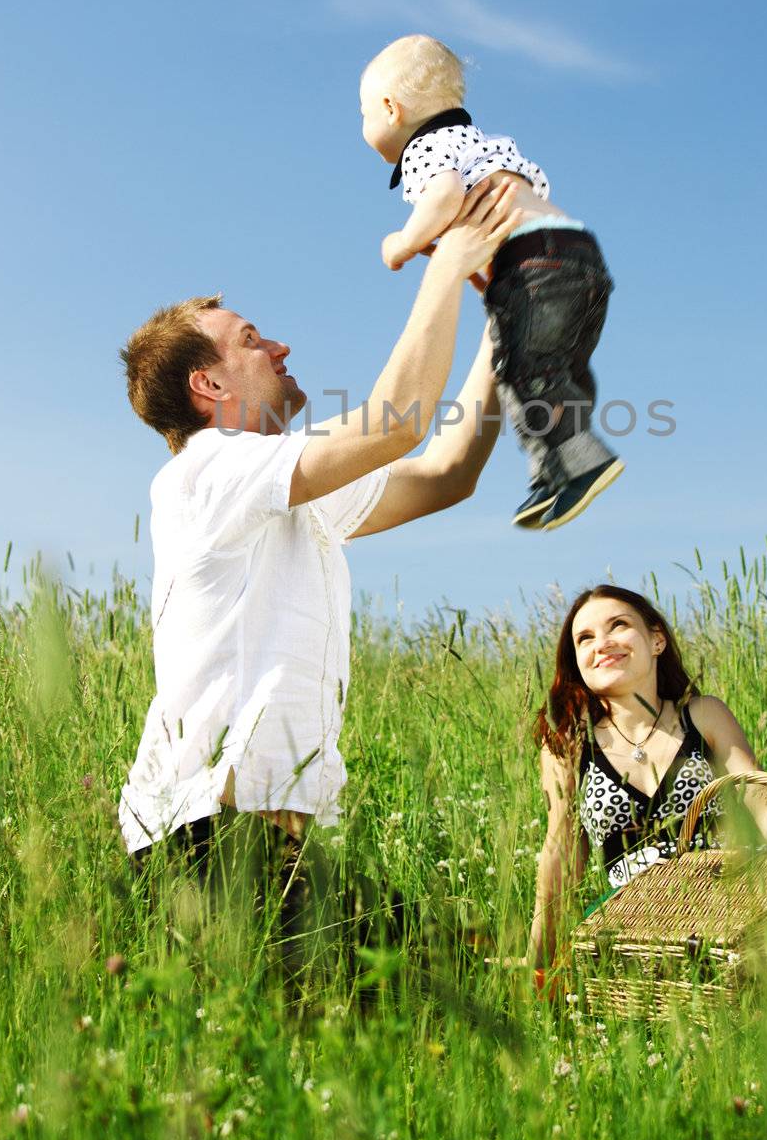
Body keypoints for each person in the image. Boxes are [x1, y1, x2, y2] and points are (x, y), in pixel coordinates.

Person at [117, 182, 520, 953]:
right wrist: (452, 257)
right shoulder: (208, 471)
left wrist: (505, 327)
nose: (279, 347)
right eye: (251, 339)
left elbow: (445, 473)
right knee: (412, 1000)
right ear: (208, 385)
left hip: (267, 846)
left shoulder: (285, 493)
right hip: (206, 841)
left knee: (434, 985)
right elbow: (396, 422)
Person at [360, 33, 623, 531]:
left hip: (534, 264)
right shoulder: (487, 143)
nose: (364, 124)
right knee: (557, 371)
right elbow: (532, 190)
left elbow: (443, 196)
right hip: (578, 250)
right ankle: (555, 469)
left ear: (391, 109)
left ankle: (582, 462)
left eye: (363, 112)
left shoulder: (426, 150)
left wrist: (401, 244)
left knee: (524, 373)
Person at [527, 585, 767, 974]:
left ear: (656, 641)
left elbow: (764, 803)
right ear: (578, 660)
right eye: (585, 638)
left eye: (618, 625)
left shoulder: (703, 715)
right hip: (638, 917)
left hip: (735, 898)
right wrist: (537, 960)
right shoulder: (568, 742)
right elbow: (561, 854)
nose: (602, 643)